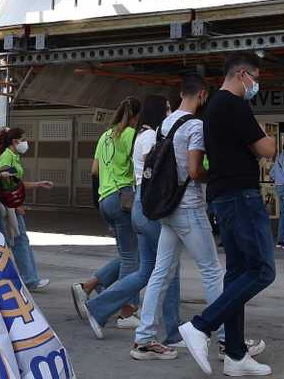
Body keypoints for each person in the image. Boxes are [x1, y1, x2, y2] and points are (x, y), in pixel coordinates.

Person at [175, 53, 275, 377]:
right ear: (242, 74)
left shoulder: (211, 110)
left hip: (222, 197)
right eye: (255, 77)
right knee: (262, 270)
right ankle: (201, 326)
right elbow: (267, 149)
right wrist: (262, 134)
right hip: (241, 196)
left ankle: (235, 354)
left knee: (236, 275)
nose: (255, 84)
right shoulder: (234, 104)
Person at [130, 74, 224, 362]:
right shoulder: (196, 125)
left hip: (167, 209)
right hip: (190, 208)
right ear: (203, 95)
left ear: (181, 92)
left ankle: (144, 339)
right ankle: (226, 339)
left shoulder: (164, 125)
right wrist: (214, 176)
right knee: (211, 270)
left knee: (161, 273)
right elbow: (195, 171)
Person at [80, 95, 178, 341]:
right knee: (157, 264)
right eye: (167, 108)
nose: (170, 112)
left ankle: (99, 305)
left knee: (143, 267)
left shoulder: (106, 136)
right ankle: (154, 323)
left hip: (109, 198)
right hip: (129, 198)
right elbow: (152, 169)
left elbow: (94, 170)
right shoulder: (138, 136)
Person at [75, 98, 140, 303]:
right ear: (136, 117)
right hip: (124, 199)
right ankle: (123, 308)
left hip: (105, 200)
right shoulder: (131, 134)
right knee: (132, 258)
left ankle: (89, 286)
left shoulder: (105, 136)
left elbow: (94, 170)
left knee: (127, 254)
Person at [0, 127, 51, 292]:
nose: (26, 143)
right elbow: (6, 186)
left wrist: (38, 184)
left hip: (11, 205)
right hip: (9, 206)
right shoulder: (7, 158)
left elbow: (16, 183)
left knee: (19, 240)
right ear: (15, 141)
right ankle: (29, 279)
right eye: (23, 139)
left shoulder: (13, 157)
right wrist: (17, 205)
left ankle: (29, 278)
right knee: (19, 240)